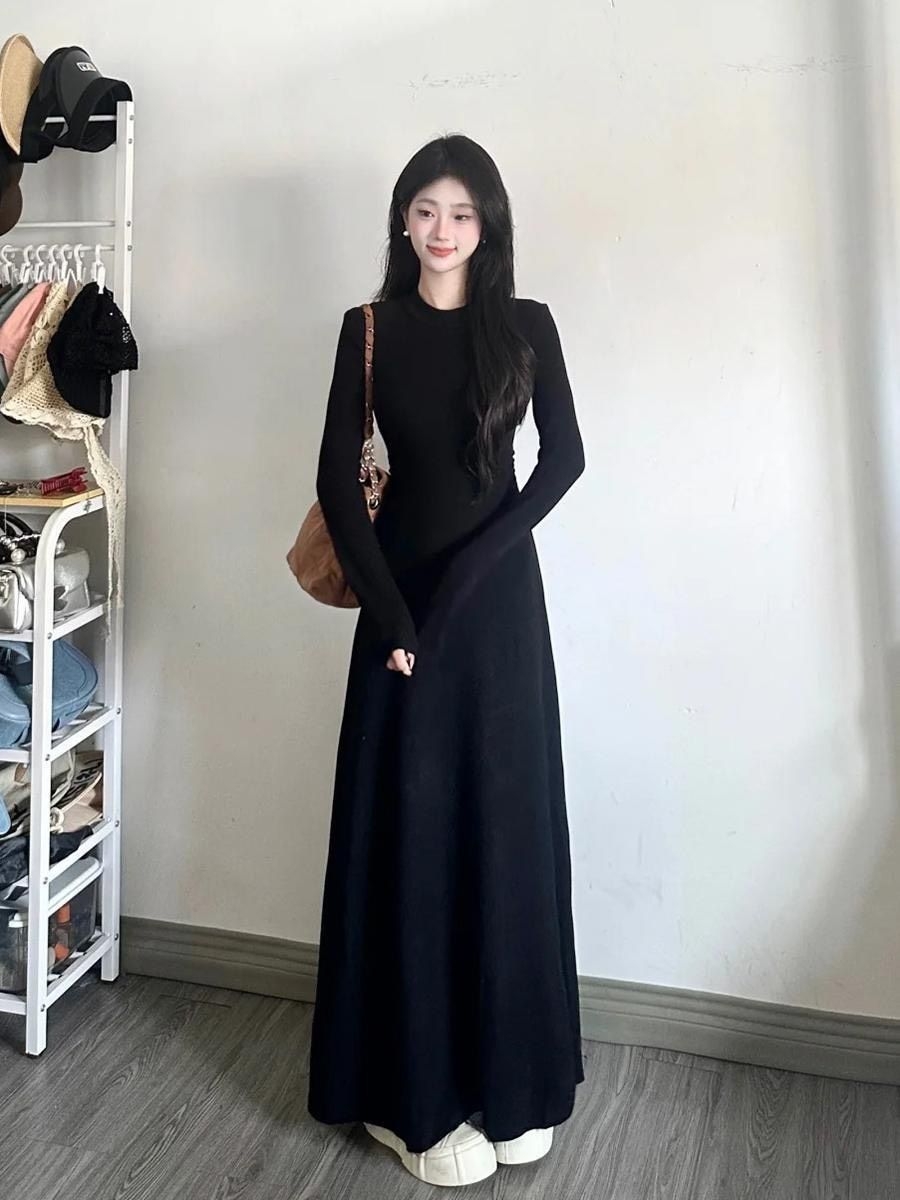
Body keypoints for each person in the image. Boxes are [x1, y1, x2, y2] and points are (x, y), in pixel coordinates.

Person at [306, 133, 586, 1188]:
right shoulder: (367, 329)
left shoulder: (526, 325)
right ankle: (405, 1102)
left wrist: (468, 577)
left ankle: (512, 1085)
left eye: (462, 213)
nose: (442, 229)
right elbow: (338, 484)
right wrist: (395, 616)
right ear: (402, 217)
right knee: (411, 841)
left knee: (506, 831)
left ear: (488, 224)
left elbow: (564, 461)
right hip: (402, 617)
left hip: (500, 612)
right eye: (426, 209)